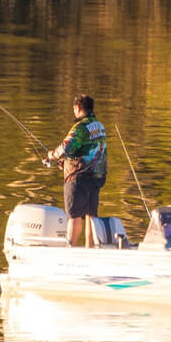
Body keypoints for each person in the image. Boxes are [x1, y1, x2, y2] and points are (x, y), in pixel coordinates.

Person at [46, 95, 108, 247]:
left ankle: (71, 250)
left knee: (74, 216)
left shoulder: (80, 127)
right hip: (97, 176)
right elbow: (89, 149)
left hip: (79, 178)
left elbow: (65, 147)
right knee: (91, 216)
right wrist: (66, 160)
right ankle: (90, 249)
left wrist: (52, 155)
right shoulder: (100, 126)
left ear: (77, 108)